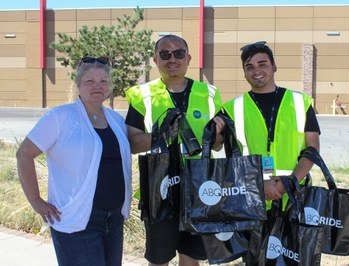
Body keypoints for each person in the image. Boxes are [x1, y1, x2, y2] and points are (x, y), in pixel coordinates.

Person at [16, 57, 132, 266]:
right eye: (89, 81)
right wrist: (35, 200)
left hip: (113, 219)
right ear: (78, 84)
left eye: (103, 81)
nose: (97, 86)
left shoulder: (116, 120)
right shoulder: (60, 117)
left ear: (110, 86)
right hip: (76, 221)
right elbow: (24, 153)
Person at [125, 34, 224, 266]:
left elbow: (219, 145)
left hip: (199, 186)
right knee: (159, 258)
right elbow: (131, 143)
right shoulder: (142, 95)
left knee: (191, 257)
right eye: (165, 54)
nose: (172, 59)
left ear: (188, 57)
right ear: (155, 60)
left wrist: (218, 135)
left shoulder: (209, 94)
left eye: (179, 53)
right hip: (160, 187)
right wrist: (162, 135)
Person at [222, 41, 321, 209]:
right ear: (244, 73)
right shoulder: (231, 108)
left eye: (262, 64)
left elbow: (313, 149)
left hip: (294, 196)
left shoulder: (300, 102)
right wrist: (260, 183)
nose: (257, 71)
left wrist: (287, 184)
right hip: (250, 197)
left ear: (274, 66)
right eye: (249, 67)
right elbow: (224, 151)